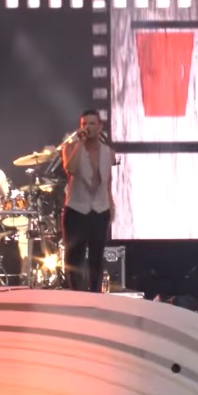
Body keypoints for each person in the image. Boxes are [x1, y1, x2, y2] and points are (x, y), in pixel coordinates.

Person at [60, 109, 117, 292]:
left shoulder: (108, 152)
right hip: (76, 208)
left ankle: (95, 293)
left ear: (100, 127)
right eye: (84, 124)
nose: (88, 127)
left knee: (96, 256)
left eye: (92, 123)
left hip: (100, 208)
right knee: (74, 256)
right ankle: (77, 293)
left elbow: (107, 181)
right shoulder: (70, 148)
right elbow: (71, 169)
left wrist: (111, 203)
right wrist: (79, 143)